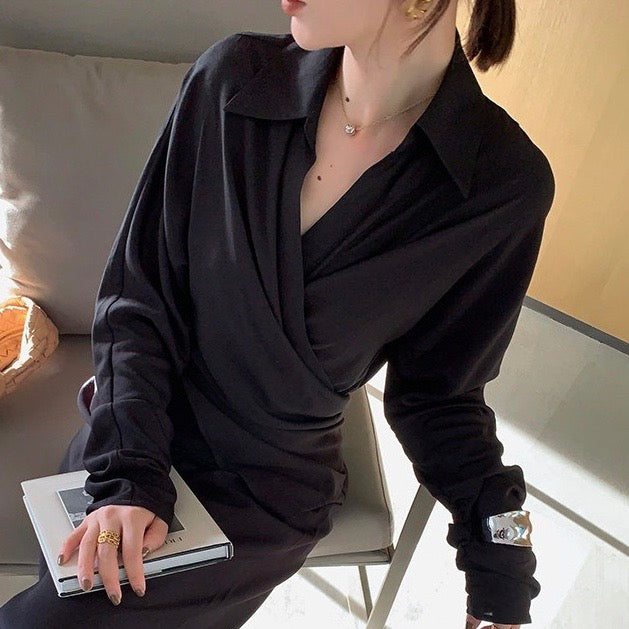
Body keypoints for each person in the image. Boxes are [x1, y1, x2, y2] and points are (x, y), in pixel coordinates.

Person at [0, 0, 554, 627]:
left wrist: (503, 560)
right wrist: (128, 473)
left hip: (262, 492)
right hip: (134, 426)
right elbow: (139, 301)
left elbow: (441, 400)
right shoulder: (232, 81)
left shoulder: (500, 187)